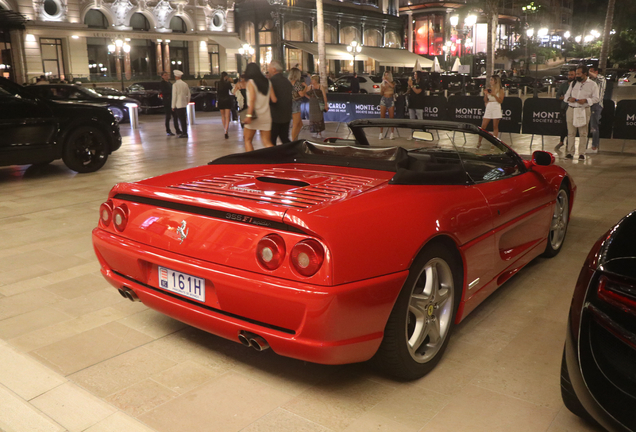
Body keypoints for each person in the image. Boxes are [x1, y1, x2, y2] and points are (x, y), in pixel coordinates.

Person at [563, 65, 599, 160]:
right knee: (571, 132)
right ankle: (570, 152)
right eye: (576, 74)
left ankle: (582, 153)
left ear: (585, 74)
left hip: (584, 110)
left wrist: (586, 100)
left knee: (583, 133)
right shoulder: (573, 83)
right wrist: (570, 99)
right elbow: (566, 96)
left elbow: (596, 98)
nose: (577, 76)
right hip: (572, 109)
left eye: (579, 74)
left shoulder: (592, 84)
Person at [243, 62, 276, 152]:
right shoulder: (268, 82)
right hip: (266, 115)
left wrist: (249, 116)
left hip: (254, 116)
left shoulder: (251, 82)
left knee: (248, 140)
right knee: (267, 142)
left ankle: (252, 163)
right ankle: (275, 159)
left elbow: (252, 100)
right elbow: (274, 99)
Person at [268, 60, 293, 145]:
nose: (268, 69)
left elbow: (270, 98)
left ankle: (273, 157)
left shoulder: (271, 82)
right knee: (284, 137)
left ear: (274, 69)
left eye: (269, 68)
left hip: (274, 115)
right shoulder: (287, 81)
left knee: (271, 139)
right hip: (286, 114)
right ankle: (291, 153)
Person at [477, 75, 504, 148]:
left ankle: (494, 143)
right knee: (483, 126)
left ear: (495, 81)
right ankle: (479, 142)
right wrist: (486, 94)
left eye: (491, 80)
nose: (490, 81)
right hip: (489, 106)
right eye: (490, 80)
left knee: (495, 126)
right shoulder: (489, 89)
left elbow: (500, 101)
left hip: (496, 106)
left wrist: (494, 95)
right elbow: (485, 100)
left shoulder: (500, 90)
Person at [555, 69, 576, 150]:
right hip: (565, 108)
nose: (570, 76)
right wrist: (565, 98)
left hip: (575, 108)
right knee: (563, 126)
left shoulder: (577, 85)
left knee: (572, 127)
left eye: (572, 74)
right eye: (569, 74)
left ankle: (569, 143)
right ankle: (561, 141)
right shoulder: (564, 85)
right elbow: (557, 96)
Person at [587, 66, 606, 154]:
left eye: (591, 71)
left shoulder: (601, 79)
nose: (589, 73)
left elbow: (596, 77)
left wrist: (586, 71)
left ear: (596, 72)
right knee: (589, 126)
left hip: (596, 105)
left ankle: (594, 146)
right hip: (588, 104)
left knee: (594, 126)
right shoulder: (590, 81)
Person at [160, 71, 181, 136]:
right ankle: (168, 130)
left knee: (175, 116)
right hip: (167, 102)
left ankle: (177, 129)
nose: (167, 76)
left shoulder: (170, 83)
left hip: (172, 101)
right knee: (168, 116)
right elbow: (164, 91)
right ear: (162, 76)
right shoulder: (162, 83)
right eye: (165, 75)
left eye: (167, 75)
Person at [171, 70, 190, 139]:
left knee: (180, 119)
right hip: (184, 104)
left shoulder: (175, 85)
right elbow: (188, 94)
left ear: (176, 77)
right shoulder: (185, 84)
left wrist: (173, 106)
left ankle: (184, 133)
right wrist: (187, 102)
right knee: (184, 119)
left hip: (178, 104)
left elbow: (174, 96)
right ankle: (185, 132)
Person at [289, 68, 307, 141]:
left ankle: (295, 139)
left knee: (300, 124)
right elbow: (302, 94)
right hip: (296, 103)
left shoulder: (289, 82)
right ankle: (293, 141)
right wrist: (305, 87)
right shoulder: (297, 83)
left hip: (291, 103)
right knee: (296, 125)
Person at [217, 72, 234, 139]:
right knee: (227, 117)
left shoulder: (218, 83)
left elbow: (217, 93)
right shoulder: (228, 83)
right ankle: (226, 131)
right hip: (227, 99)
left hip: (220, 100)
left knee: (223, 116)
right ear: (226, 76)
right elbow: (232, 91)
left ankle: (224, 129)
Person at [379, 71, 395, 139]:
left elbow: (393, 86)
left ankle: (392, 133)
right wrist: (383, 88)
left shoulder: (392, 82)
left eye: (387, 75)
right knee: (382, 117)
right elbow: (381, 93)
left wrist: (387, 81)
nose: (386, 76)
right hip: (384, 99)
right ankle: (381, 133)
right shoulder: (382, 84)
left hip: (390, 99)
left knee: (391, 117)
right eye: (385, 75)